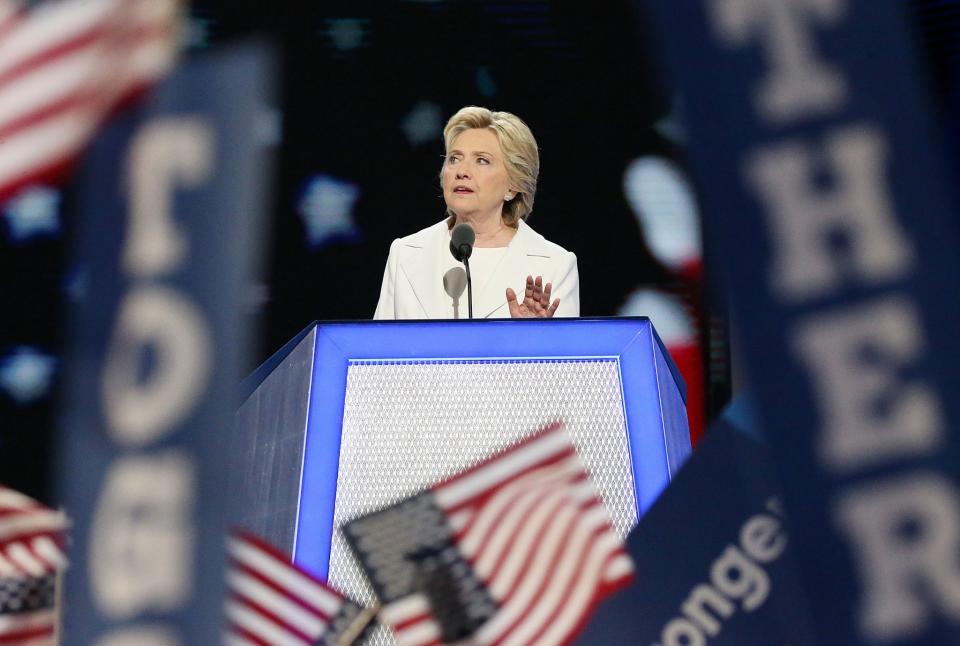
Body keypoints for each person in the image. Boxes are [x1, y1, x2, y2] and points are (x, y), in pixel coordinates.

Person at [373, 106, 579, 319]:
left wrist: (532, 336)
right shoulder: (405, 254)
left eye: (482, 160)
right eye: (454, 158)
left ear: (513, 185)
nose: (462, 171)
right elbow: (377, 349)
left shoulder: (555, 265)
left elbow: (565, 351)